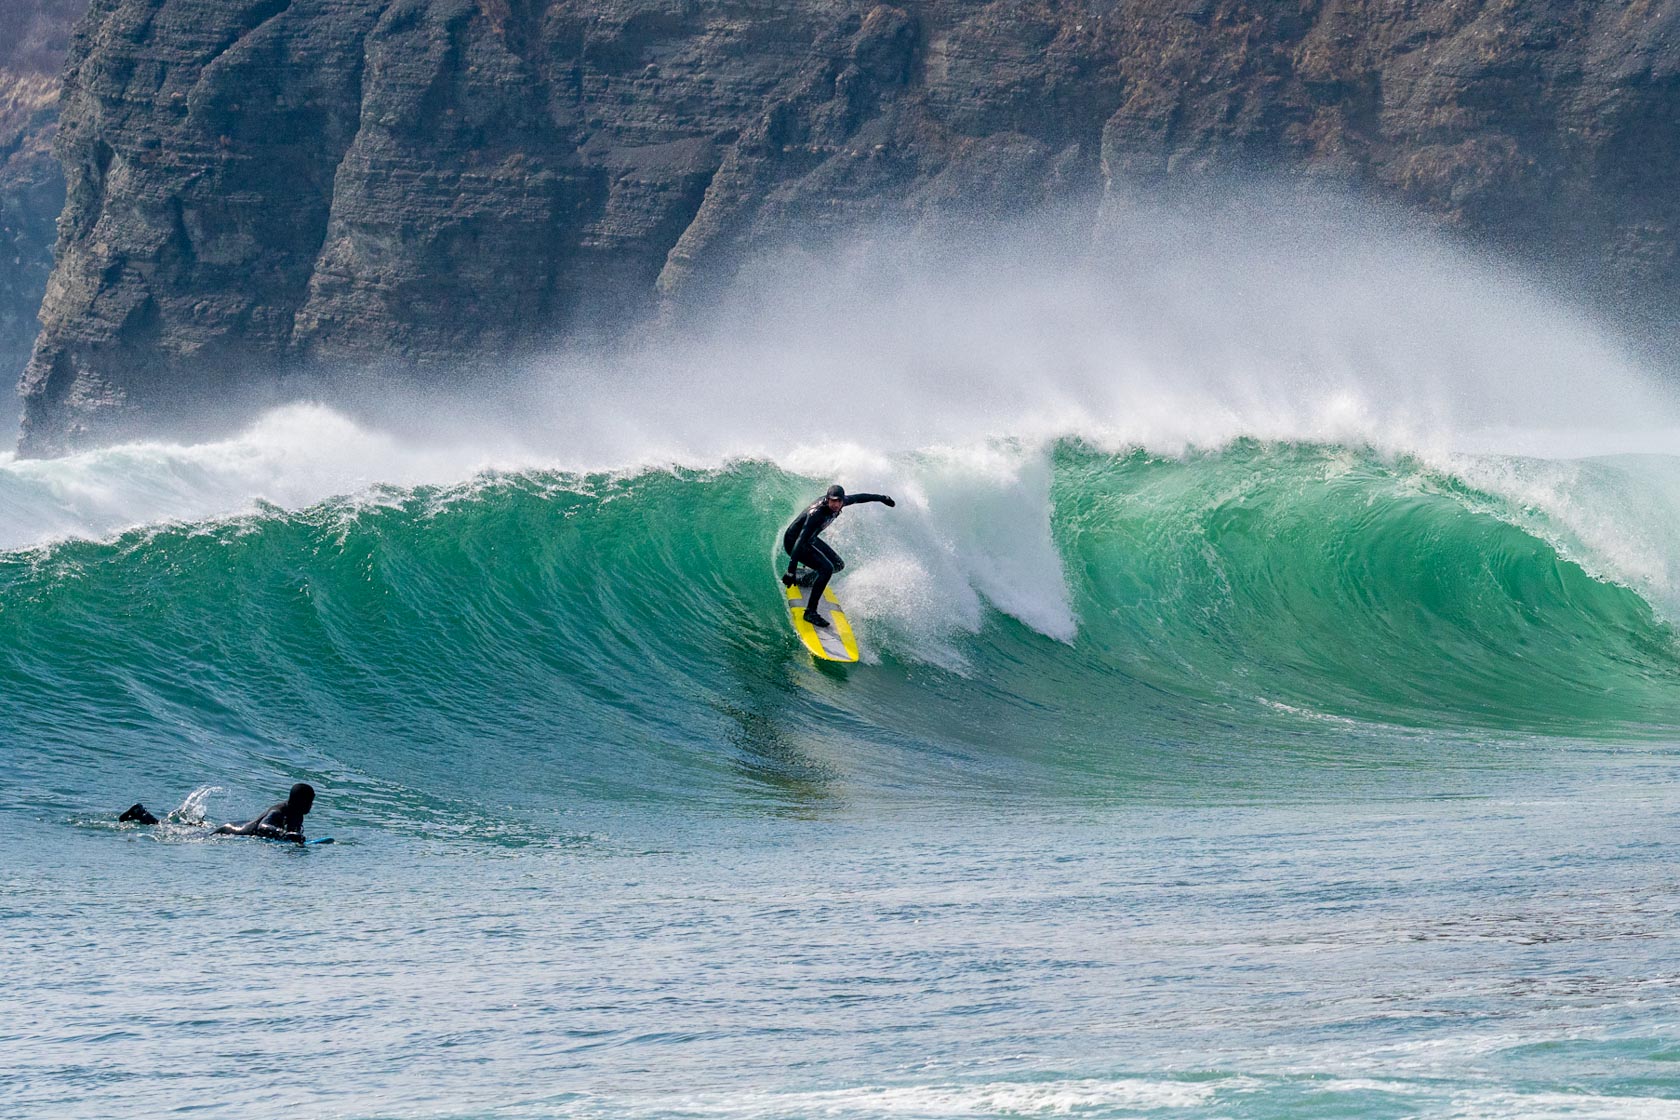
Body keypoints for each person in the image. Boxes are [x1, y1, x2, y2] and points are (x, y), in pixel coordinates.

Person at [781, 484, 895, 628]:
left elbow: (860, 497)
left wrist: (882, 498)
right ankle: (810, 612)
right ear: (827, 499)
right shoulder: (816, 513)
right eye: (833, 501)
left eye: (839, 501)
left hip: (810, 540)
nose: (836, 505)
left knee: (838, 565)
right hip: (794, 542)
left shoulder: (841, 503)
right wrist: (791, 571)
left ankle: (807, 580)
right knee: (827, 568)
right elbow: (800, 540)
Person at [213, 782, 315, 844]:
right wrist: (285, 834)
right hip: (232, 830)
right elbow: (262, 826)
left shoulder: (298, 815)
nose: (311, 805)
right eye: (309, 802)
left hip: (246, 824)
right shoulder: (278, 812)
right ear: (300, 801)